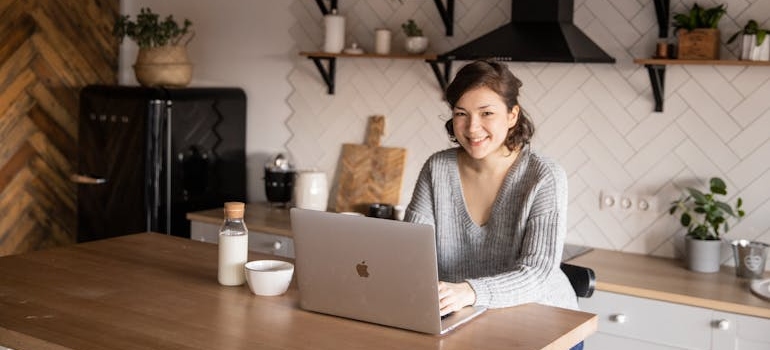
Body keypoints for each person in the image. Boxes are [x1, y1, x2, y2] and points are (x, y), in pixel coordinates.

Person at [404, 59, 579, 320]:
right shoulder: (437, 168)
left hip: (543, 321)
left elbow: (537, 274)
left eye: (486, 113)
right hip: (463, 317)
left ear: (512, 115)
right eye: (461, 113)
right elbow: (410, 251)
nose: (472, 127)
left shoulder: (544, 176)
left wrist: (469, 292)